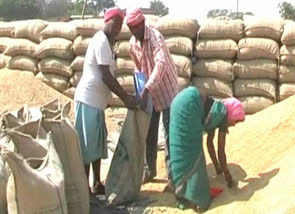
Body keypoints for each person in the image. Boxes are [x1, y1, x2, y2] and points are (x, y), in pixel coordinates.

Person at [74, 7, 138, 194]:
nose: (118, 27)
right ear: (107, 21)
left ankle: (96, 184)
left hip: (97, 104)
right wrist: (126, 98)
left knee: (96, 146)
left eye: (120, 24)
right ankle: (84, 189)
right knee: (87, 148)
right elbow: (106, 76)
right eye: (115, 23)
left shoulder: (108, 44)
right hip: (88, 101)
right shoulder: (101, 40)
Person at [169, 86, 245, 211]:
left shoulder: (215, 110)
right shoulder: (223, 114)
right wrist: (227, 174)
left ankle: (181, 193)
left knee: (180, 150)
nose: (234, 125)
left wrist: (218, 169)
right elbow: (221, 151)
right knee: (194, 155)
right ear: (232, 113)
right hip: (190, 104)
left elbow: (210, 144)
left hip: (179, 101)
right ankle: (198, 198)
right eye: (236, 121)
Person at [126, 9, 179, 184]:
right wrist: (139, 89)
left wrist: (146, 89)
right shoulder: (132, 43)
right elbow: (137, 67)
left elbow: (161, 64)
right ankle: (149, 171)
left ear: (142, 23)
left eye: (135, 27)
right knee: (149, 132)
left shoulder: (155, 37)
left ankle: (172, 175)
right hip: (149, 93)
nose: (134, 31)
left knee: (170, 133)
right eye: (130, 28)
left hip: (167, 90)